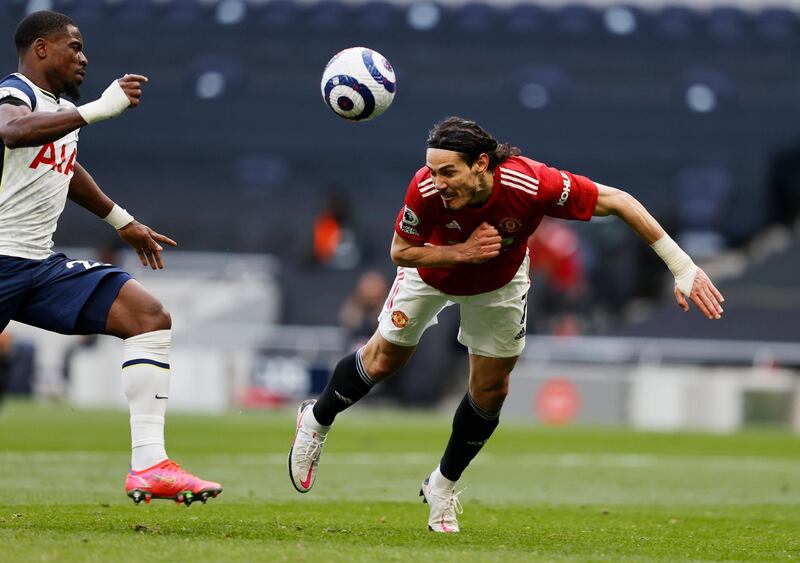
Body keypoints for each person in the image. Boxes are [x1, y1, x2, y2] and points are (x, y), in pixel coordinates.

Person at [288, 116, 724, 532]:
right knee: (384, 360)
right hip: (432, 272)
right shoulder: (424, 189)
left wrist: (681, 266)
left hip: (499, 281)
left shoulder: (530, 183)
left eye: (449, 172)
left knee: (491, 391)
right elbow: (401, 251)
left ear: (481, 164)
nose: (438, 182)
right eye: (432, 170)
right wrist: (462, 253)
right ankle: (316, 420)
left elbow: (619, 201)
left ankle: (442, 484)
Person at [0, 11, 221, 505]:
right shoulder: (13, 93)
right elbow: (13, 132)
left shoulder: (56, 111)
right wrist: (99, 108)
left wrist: (122, 220)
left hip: (37, 266)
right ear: (40, 49)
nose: (84, 58)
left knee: (148, 316)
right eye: (73, 47)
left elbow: (65, 165)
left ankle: (150, 465)